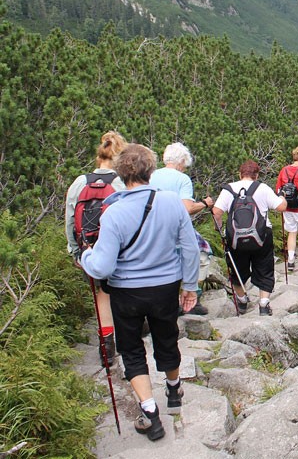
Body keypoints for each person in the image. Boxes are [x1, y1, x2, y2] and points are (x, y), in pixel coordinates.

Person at [80, 144, 200, 442]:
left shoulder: (114, 212)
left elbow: (102, 267)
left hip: (126, 292)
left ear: (121, 173)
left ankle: (149, 412)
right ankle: (173, 392)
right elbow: (189, 248)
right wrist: (190, 285)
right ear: (151, 170)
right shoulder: (172, 203)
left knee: (132, 349)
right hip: (165, 287)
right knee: (166, 337)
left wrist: (85, 256)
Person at [65, 130, 128, 362]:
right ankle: (127, 337)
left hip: (90, 248)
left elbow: (70, 219)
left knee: (101, 294)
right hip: (121, 250)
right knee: (121, 292)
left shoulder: (79, 182)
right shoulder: (122, 183)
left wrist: (75, 251)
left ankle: (106, 348)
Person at [213, 160, 286, 316]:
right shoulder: (263, 188)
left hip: (235, 239)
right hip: (262, 236)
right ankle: (264, 305)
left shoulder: (229, 189)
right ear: (257, 175)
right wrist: (282, 197)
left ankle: (241, 300)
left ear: (240, 174)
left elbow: (217, 212)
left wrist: (220, 231)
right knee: (265, 268)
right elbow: (281, 207)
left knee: (237, 269)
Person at [150, 142, 215, 315]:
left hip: (151, 228)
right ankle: (192, 298)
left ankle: (166, 302)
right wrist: (204, 204)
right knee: (202, 254)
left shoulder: (151, 175)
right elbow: (186, 208)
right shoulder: (182, 179)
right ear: (182, 161)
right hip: (175, 227)